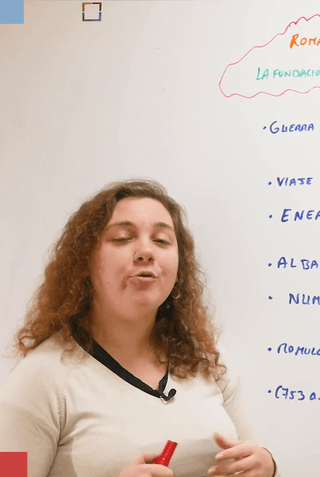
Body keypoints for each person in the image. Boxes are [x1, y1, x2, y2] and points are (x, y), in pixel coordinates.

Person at [0, 180, 277, 477]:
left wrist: (267, 466)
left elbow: (249, 454)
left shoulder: (208, 358)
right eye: (122, 238)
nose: (146, 252)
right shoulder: (36, 380)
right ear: (85, 260)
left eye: (161, 241)